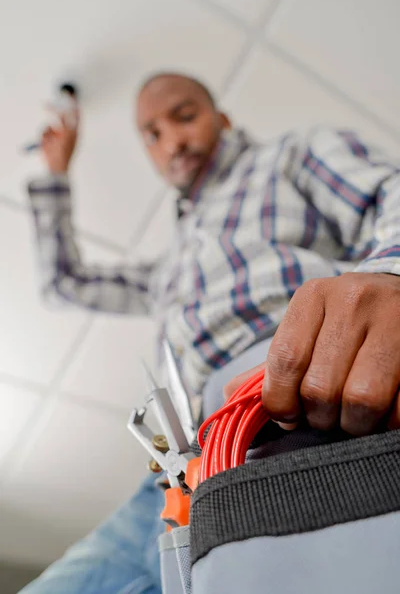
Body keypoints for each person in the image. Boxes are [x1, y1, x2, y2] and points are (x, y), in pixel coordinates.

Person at [23, 72, 400, 594]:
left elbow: (392, 191)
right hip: (167, 484)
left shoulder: (290, 156)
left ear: (221, 120)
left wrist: (389, 274)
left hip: (284, 411)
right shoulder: (166, 271)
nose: (171, 140)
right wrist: (56, 171)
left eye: (184, 116)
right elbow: (65, 284)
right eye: (151, 134)